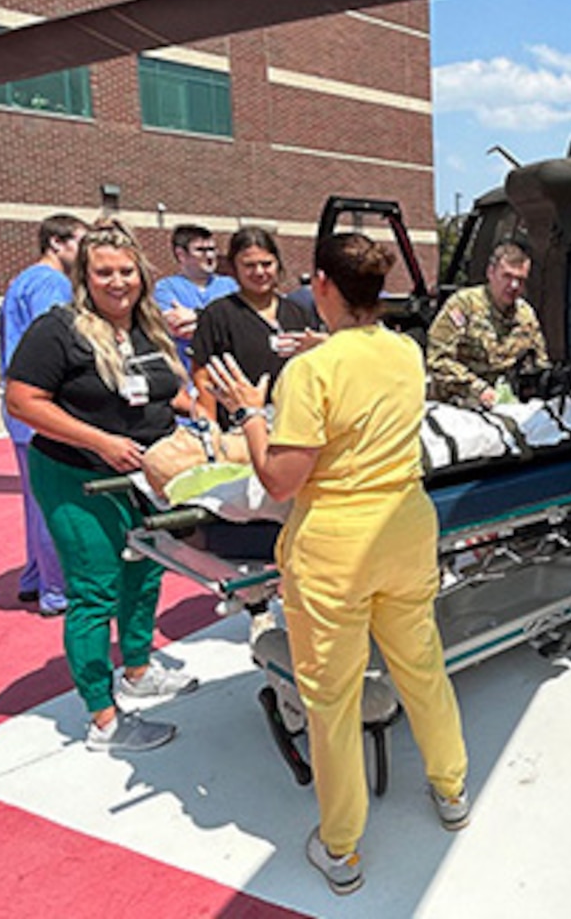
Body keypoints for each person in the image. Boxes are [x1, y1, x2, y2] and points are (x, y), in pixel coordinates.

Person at [204, 232, 469, 895]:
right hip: (405, 529)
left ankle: (342, 846)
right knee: (421, 665)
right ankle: (452, 788)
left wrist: (249, 414)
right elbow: (365, 365)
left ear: (321, 284)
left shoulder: (310, 373)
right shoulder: (403, 351)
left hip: (336, 548)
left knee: (330, 698)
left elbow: (281, 480)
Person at [5, 221, 199, 753]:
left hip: (141, 474)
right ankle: (103, 718)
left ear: (142, 273)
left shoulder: (146, 327)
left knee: (144, 570)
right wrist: (101, 441)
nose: (118, 282)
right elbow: (23, 401)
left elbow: (160, 391)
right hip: (77, 476)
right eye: (104, 272)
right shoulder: (59, 328)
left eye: (126, 271)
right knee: (95, 591)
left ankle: (137, 668)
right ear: (84, 277)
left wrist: (198, 406)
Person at [1, 213, 88, 617]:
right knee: (54, 501)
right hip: (41, 407)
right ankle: (58, 588)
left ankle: (35, 577)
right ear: (56, 242)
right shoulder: (51, 284)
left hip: (21, 407)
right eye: (79, 243)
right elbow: (54, 344)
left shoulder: (24, 279)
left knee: (34, 501)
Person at [191, 226, 318, 429]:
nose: (259, 272)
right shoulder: (218, 314)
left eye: (266, 264)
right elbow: (202, 374)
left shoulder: (298, 313)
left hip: (292, 422)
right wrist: (211, 425)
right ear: (234, 268)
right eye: (249, 265)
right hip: (239, 425)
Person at [426, 241, 548, 408]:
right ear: (490, 272)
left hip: (505, 403)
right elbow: (438, 360)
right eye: (507, 276)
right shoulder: (463, 305)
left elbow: (540, 362)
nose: (514, 286)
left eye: (520, 280)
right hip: (456, 404)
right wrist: (478, 390)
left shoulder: (525, 315)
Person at [153, 224, 237, 375]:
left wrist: (196, 317)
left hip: (224, 377)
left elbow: (239, 327)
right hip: (185, 377)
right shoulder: (165, 289)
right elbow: (176, 328)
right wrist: (218, 326)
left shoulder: (231, 286)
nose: (210, 256)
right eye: (201, 250)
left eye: (212, 249)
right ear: (181, 255)